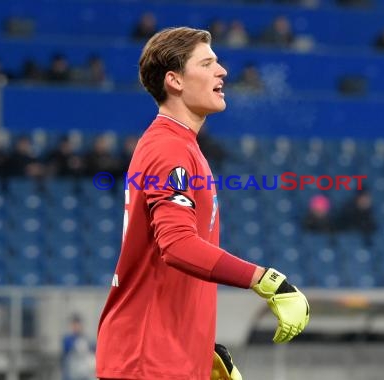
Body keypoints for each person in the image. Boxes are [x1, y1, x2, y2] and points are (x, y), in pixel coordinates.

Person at [95, 27, 310, 380]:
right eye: (207, 63)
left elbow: (161, 264)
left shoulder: (179, 145)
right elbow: (177, 245)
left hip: (162, 356)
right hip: (146, 361)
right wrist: (268, 281)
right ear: (174, 81)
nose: (222, 70)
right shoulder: (169, 148)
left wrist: (198, 348)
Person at [62, 314, 96, 380]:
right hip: (72, 374)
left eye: (77, 324)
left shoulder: (87, 339)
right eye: (74, 325)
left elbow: (93, 353)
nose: (76, 327)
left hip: (85, 375)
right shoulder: (67, 339)